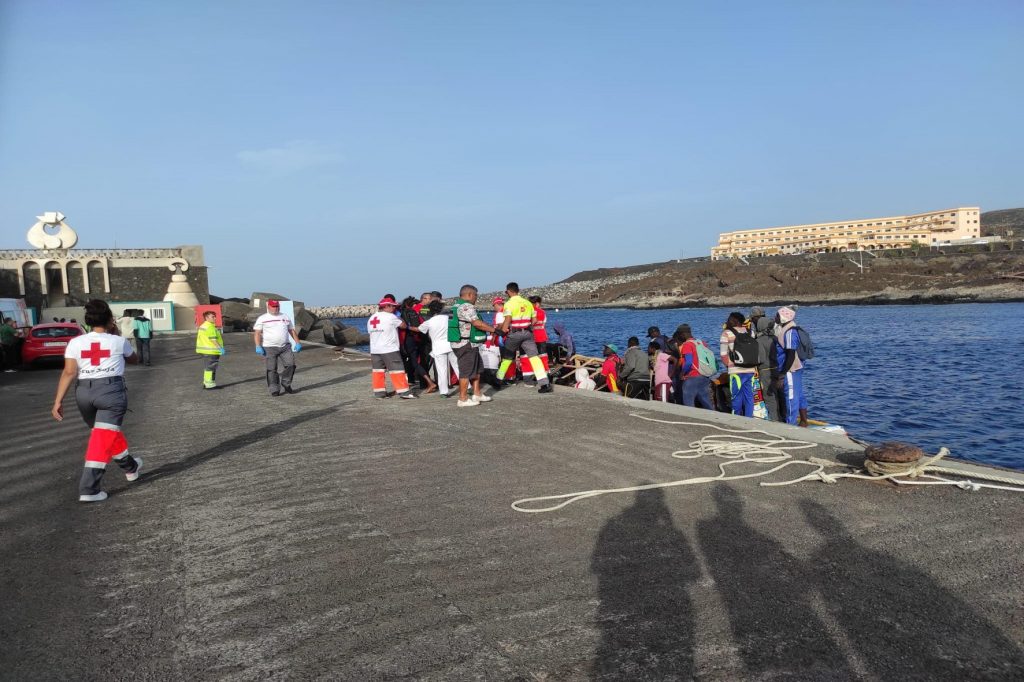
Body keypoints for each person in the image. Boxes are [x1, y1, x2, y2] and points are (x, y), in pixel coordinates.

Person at [51, 299, 142, 502]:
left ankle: (131, 467)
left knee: (105, 434)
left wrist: (58, 401)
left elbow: (69, 372)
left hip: (84, 393)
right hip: (110, 392)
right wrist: (116, 335)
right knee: (101, 439)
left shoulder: (75, 342)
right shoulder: (118, 341)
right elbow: (134, 359)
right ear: (110, 320)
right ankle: (89, 489)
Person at [497, 282, 553, 394]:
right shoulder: (528, 303)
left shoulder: (509, 303)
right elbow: (534, 320)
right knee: (534, 357)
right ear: (518, 290)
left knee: (507, 357)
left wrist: (502, 332)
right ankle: (545, 383)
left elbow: (508, 319)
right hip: (528, 333)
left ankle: (498, 380)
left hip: (514, 333)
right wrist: (528, 327)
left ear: (509, 291)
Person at [449, 284, 497, 407]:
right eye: (476, 295)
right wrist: (494, 330)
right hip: (465, 344)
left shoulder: (456, 305)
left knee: (477, 369)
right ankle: (463, 399)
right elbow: (477, 323)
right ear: (470, 294)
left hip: (466, 343)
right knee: (466, 371)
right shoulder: (466, 306)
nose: (476, 298)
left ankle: (477, 394)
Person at [368, 298, 416, 399]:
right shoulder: (391, 317)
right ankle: (404, 392)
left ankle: (379, 393)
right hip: (389, 349)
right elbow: (403, 326)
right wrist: (399, 317)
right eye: (393, 306)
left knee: (378, 372)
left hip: (375, 350)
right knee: (397, 370)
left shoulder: (372, 318)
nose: (394, 308)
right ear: (386, 306)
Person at [253, 299, 302, 396]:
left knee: (291, 365)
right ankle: (274, 389)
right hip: (269, 347)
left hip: (285, 346)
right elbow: (257, 333)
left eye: (277, 306)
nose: (275, 308)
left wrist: (298, 342)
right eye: (273, 306)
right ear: (268, 307)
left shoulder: (285, 316)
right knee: (271, 369)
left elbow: (291, 330)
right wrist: (258, 346)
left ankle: (286, 383)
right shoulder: (262, 318)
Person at [774, 306, 809, 426]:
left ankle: (791, 424)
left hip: (790, 369)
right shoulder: (786, 329)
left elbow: (790, 355)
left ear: (783, 317)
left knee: (791, 397)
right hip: (796, 368)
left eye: (777, 315)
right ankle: (804, 421)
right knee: (798, 394)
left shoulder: (789, 332)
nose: (775, 317)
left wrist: (782, 374)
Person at [415, 300, 457, 397]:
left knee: (441, 370)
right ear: (441, 309)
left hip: (438, 348)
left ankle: (444, 392)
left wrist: (408, 327)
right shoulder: (448, 318)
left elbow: (419, 329)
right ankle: (468, 387)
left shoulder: (429, 322)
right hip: (451, 345)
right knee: (457, 366)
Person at [720, 312, 758, 417]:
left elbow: (723, 354)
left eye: (729, 319)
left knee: (736, 396)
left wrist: (729, 366)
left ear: (735, 321)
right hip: (750, 369)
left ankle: (736, 419)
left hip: (735, 371)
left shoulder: (726, 333)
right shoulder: (751, 332)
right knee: (749, 396)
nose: (727, 321)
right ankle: (748, 418)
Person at [750, 306, 782, 422]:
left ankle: (774, 420)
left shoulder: (759, 341)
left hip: (765, 371)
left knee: (769, 396)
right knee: (778, 395)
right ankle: (781, 417)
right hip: (776, 368)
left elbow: (761, 358)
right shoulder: (775, 338)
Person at [400, 296, 437, 393]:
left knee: (411, 363)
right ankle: (425, 382)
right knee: (417, 362)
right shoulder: (416, 312)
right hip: (418, 339)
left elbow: (403, 327)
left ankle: (425, 382)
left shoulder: (403, 313)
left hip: (408, 340)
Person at [677, 324, 715, 409]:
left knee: (688, 402)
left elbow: (688, 362)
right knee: (705, 400)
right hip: (704, 375)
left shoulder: (687, 345)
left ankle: (689, 416)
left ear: (682, 334)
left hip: (692, 376)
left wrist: (682, 373)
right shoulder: (701, 342)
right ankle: (713, 415)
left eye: (679, 335)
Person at [195, 310, 225, 389]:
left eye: (215, 316)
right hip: (211, 351)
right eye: (213, 317)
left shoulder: (203, 326)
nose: (215, 318)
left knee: (208, 368)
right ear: (206, 317)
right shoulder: (210, 327)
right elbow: (213, 340)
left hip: (206, 350)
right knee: (211, 368)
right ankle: (210, 385)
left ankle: (206, 383)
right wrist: (220, 348)